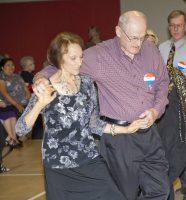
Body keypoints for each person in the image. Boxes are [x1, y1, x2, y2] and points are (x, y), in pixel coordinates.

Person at [33, 11, 170, 200]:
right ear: (118, 31)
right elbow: (58, 66)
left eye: (142, 36)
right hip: (120, 140)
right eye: (133, 38)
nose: (138, 43)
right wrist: (40, 78)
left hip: (150, 134)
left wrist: (156, 110)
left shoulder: (150, 50)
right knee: (125, 194)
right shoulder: (99, 56)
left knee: (161, 189)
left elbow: (163, 83)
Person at [15, 32, 146, 200]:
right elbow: (20, 130)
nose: (80, 62)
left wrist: (126, 129)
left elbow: (93, 124)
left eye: (81, 57)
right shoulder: (46, 88)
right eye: (73, 58)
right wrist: (40, 103)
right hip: (58, 168)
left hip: (89, 160)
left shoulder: (86, 83)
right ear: (60, 59)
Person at [158, 10, 186, 200]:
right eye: (172, 25)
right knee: (167, 143)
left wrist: (173, 77)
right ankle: (164, 182)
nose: (175, 29)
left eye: (179, 25)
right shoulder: (160, 48)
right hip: (165, 102)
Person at [0, 58, 31, 146]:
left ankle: (16, 138)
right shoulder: (2, 78)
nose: (11, 67)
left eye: (12, 65)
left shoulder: (17, 76)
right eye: (8, 65)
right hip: (11, 104)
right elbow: (5, 94)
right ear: (2, 67)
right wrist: (17, 105)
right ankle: (14, 138)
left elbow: (26, 89)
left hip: (23, 103)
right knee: (15, 113)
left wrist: (30, 102)